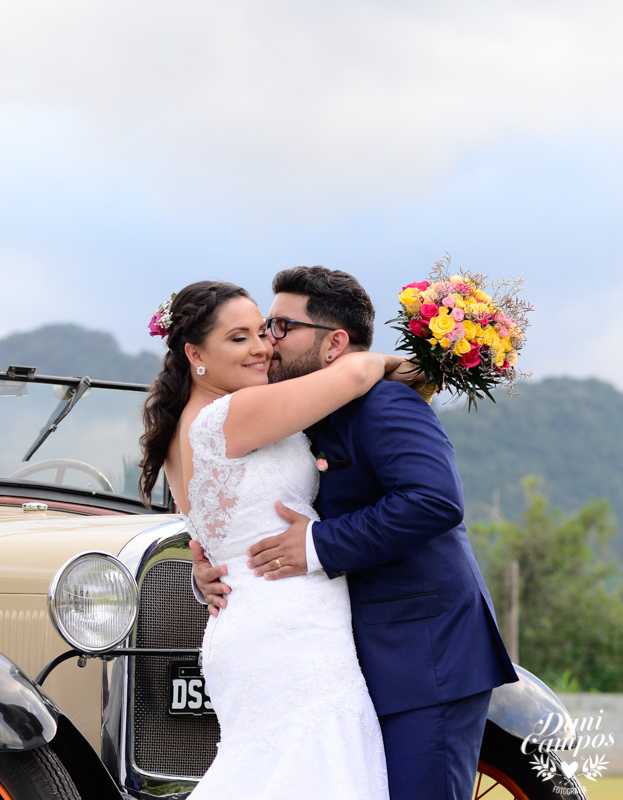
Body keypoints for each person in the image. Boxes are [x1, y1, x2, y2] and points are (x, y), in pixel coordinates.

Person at [192, 266, 518, 800]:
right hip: (347, 660)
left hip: (423, 655)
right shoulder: (305, 413)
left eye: (280, 327)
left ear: (333, 343)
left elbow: (434, 501)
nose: (268, 343)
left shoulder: (386, 403)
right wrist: (216, 564)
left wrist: (317, 544)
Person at [139, 279, 416, 799]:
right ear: (195, 353)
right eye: (238, 338)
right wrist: (414, 367)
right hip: (288, 633)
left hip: (262, 621)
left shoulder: (190, 423)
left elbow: (222, 536)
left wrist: (206, 573)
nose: (263, 347)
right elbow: (355, 370)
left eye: (263, 331)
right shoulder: (228, 415)